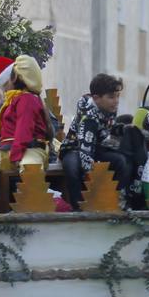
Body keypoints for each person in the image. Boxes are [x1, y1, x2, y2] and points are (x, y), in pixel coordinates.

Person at [59, 73, 136, 208]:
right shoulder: (88, 118)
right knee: (72, 167)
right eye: (111, 97)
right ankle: (78, 207)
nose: (116, 100)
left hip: (96, 147)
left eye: (118, 96)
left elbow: (106, 133)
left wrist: (122, 131)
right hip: (75, 148)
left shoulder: (109, 108)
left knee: (121, 160)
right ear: (96, 98)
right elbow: (85, 151)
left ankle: (118, 200)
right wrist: (94, 178)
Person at [0, 54, 51, 169]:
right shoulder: (16, 98)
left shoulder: (27, 99)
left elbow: (24, 129)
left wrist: (16, 156)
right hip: (10, 149)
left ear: (15, 77)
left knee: (29, 167)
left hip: (31, 150)